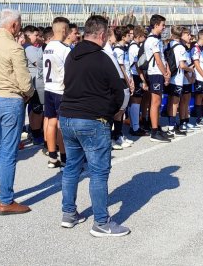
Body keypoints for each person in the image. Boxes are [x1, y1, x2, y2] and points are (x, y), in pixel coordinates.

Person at [59, 14, 129, 237]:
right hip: (92, 119)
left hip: (68, 117)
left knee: (72, 167)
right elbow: (119, 92)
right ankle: (101, 222)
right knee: (99, 172)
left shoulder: (72, 55)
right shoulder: (102, 58)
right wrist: (112, 113)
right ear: (101, 34)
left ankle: (68, 213)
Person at [0, 8, 33, 215]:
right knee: (9, 152)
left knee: (0, 148)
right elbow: (24, 79)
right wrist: (28, 93)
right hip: (10, 99)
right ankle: (6, 199)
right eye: (19, 25)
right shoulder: (14, 48)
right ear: (13, 25)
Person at [44, 17, 72, 168]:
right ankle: (65, 157)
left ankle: (52, 157)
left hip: (48, 88)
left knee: (51, 122)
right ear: (63, 30)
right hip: (61, 90)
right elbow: (70, 72)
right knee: (62, 125)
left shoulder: (47, 47)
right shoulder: (64, 49)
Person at [143, 14, 171, 142]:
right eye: (162, 25)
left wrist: (167, 71)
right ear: (155, 25)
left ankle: (156, 127)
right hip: (155, 73)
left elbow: (163, 59)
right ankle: (154, 131)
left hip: (158, 72)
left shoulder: (157, 39)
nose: (164, 27)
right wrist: (165, 73)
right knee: (155, 102)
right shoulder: (152, 40)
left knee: (158, 102)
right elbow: (158, 60)